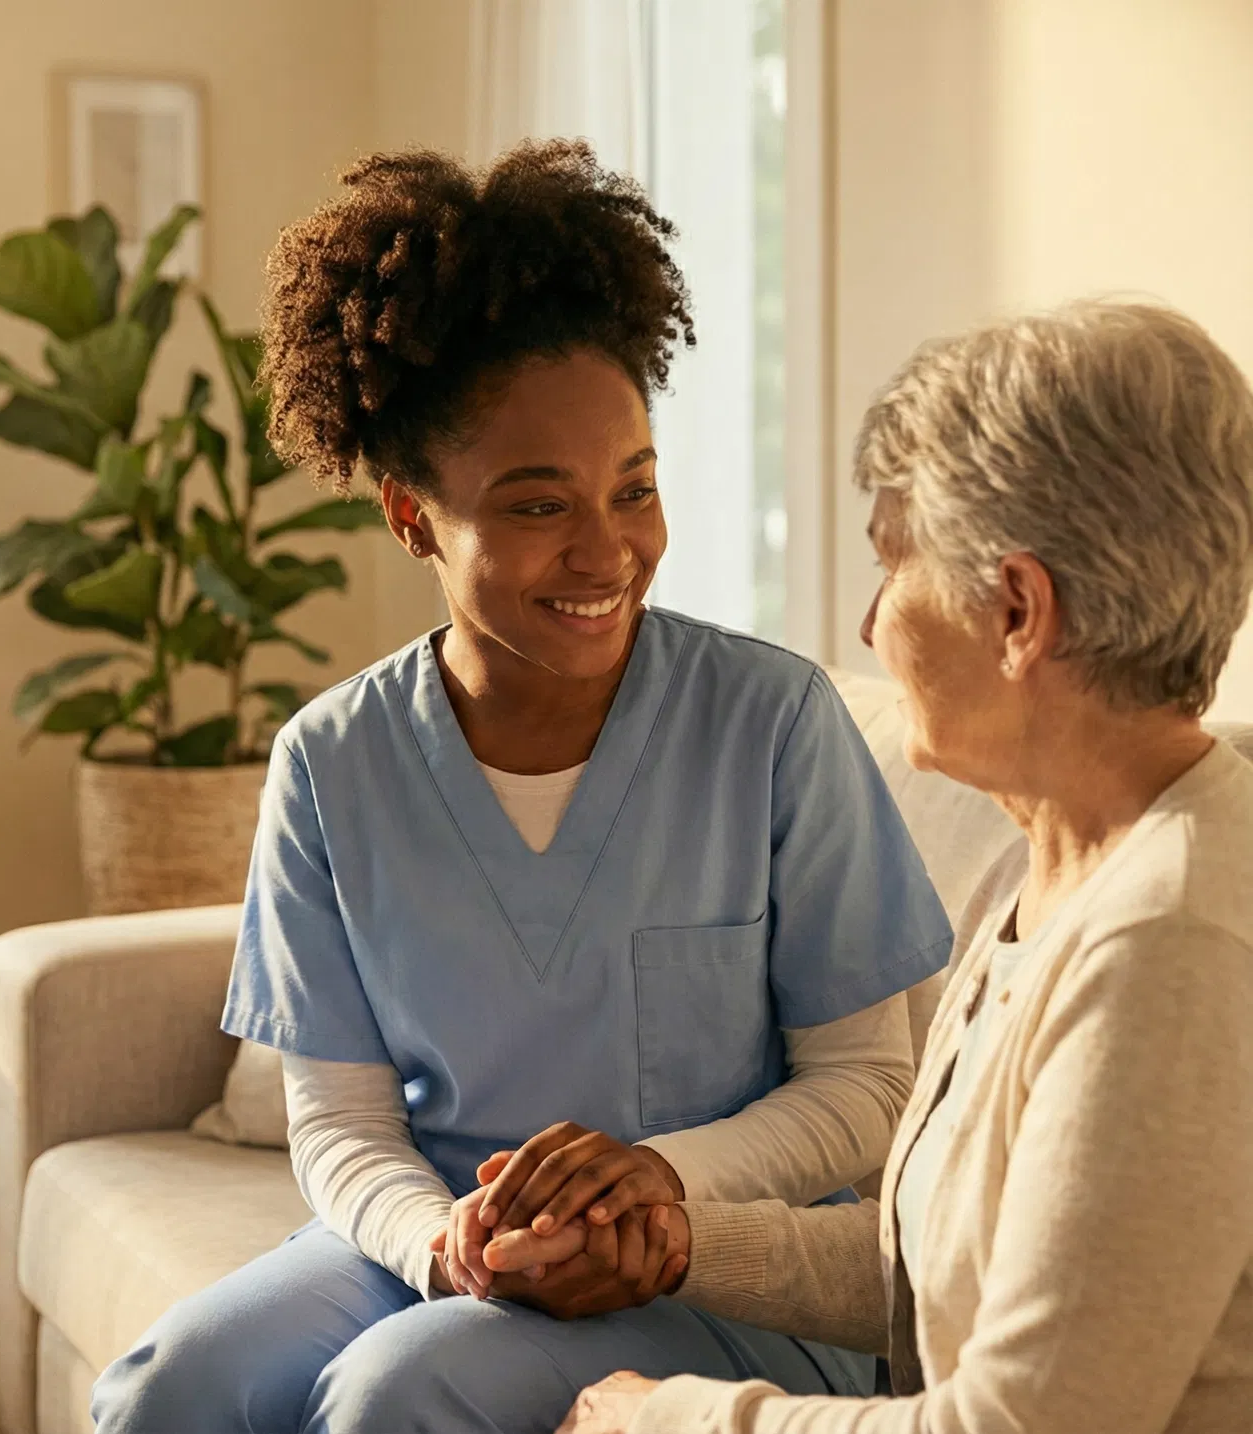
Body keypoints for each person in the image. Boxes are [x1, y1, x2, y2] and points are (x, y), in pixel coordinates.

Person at [90, 139, 952, 1434]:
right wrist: (445, 1245)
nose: (607, 549)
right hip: (448, 1232)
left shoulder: (774, 724)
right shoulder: (332, 764)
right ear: (413, 516)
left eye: (637, 488)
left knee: (402, 1390)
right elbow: (336, 1119)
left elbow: (869, 1086)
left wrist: (647, 1181)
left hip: (716, 1257)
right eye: (540, 505)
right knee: (170, 1387)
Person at [521, 300, 1253, 1433]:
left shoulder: (1169, 944)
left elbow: (1024, 1425)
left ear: (1016, 610)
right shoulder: (1056, 863)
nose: (868, 626)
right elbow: (946, 1257)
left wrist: (665, 1421)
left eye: (892, 565)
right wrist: (673, 1241)